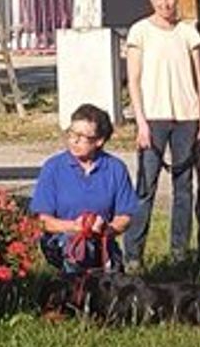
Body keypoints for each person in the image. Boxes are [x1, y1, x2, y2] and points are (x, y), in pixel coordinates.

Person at [122, 0, 200, 271]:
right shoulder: (140, 31)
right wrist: (141, 123)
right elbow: (133, 81)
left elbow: (199, 80)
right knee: (145, 186)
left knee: (183, 187)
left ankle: (179, 252)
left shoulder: (187, 32)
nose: (165, 3)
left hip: (186, 117)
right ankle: (133, 254)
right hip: (154, 117)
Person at [30, 103, 138, 275]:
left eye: (82, 136)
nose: (74, 140)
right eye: (72, 134)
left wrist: (105, 230)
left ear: (99, 141)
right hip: (62, 239)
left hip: (101, 239)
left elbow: (125, 216)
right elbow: (43, 220)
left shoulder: (115, 168)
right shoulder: (53, 167)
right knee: (77, 250)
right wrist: (74, 227)